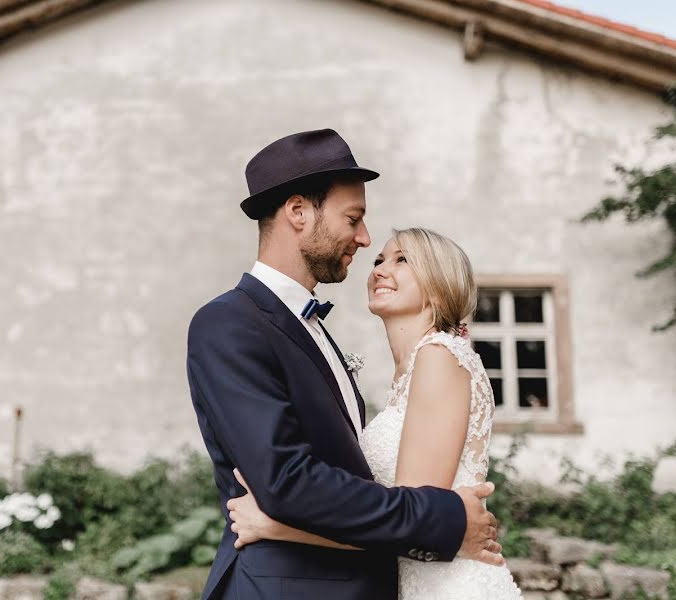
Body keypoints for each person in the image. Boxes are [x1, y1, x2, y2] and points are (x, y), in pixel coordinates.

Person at [186, 129, 503, 600]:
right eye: (352, 219)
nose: (364, 238)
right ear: (298, 213)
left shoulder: (317, 331)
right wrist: (449, 520)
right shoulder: (230, 323)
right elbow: (286, 480)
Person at [226, 227, 523, 599]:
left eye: (402, 260)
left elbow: (412, 520)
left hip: (450, 586)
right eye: (380, 260)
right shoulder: (410, 372)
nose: (380, 269)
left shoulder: (439, 357)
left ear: (439, 283)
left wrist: (275, 526)